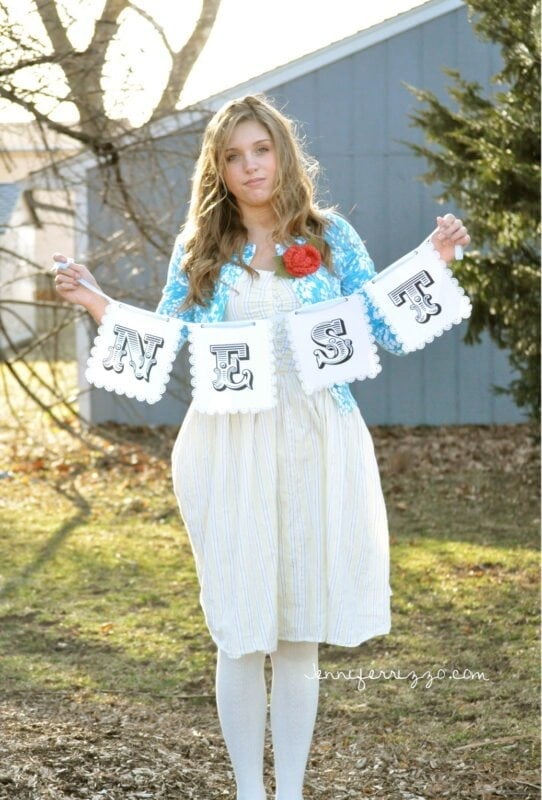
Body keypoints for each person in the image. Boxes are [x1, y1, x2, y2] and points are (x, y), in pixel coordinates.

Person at [54, 93, 470, 800]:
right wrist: (100, 304)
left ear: (282, 151)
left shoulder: (331, 238)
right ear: (218, 168)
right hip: (228, 444)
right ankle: (250, 790)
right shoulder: (202, 249)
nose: (250, 167)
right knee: (242, 626)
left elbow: (384, 326)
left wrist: (432, 260)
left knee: (299, 624)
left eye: (261, 150)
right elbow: (168, 340)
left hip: (317, 439)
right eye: (234, 156)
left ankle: (291, 792)